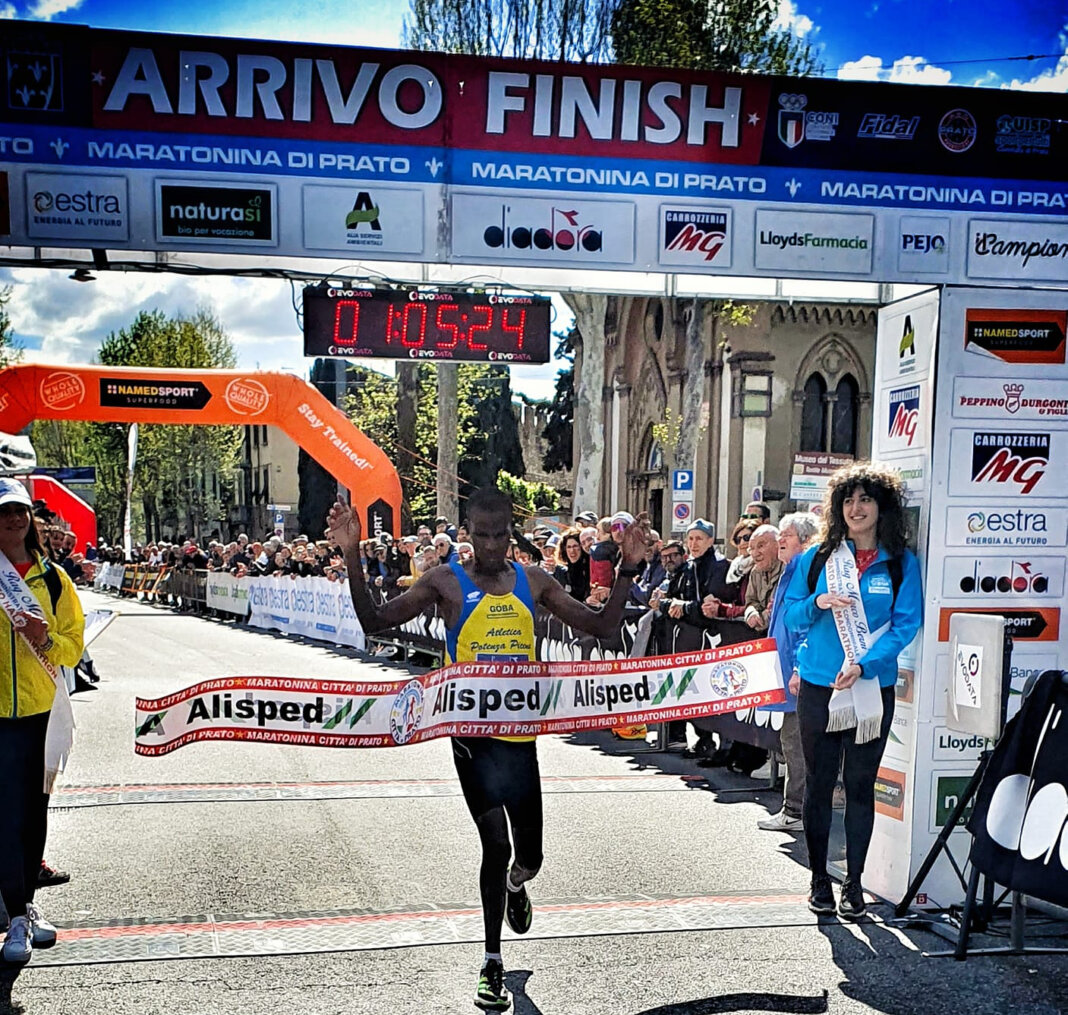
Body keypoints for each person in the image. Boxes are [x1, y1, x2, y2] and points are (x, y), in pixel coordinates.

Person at [327, 487, 648, 1011]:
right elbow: (375, 621)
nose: (493, 545)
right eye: (483, 535)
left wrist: (628, 569)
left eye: (501, 535)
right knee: (494, 847)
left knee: (529, 858)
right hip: (471, 740)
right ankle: (492, 962)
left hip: (520, 742)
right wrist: (351, 556)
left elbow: (602, 626)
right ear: (467, 534)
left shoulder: (534, 581)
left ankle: (518, 887)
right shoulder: (445, 581)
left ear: (511, 533)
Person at [782, 463, 922, 919]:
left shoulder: (900, 562)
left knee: (861, 786)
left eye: (865, 499)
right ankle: (819, 879)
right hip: (820, 686)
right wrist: (818, 602)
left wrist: (866, 665)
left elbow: (906, 625)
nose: (856, 508)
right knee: (820, 784)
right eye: (848, 500)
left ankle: (855, 883)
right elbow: (790, 616)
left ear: (882, 507)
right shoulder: (817, 558)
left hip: (869, 688)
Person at [0, 478, 85, 963]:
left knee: (34, 812)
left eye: (20, 511)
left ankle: (26, 906)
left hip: (40, 712)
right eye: (4, 512)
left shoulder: (53, 579)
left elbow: (74, 645)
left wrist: (45, 637)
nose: (13, 519)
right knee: (5, 814)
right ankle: (14, 914)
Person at [757, 512, 819, 833]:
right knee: (792, 741)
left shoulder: (804, 571)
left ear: (805, 541)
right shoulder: (791, 570)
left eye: (787, 535)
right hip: (789, 672)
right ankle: (797, 809)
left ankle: (795, 811)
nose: (780, 540)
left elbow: (805, 625)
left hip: (800, 674)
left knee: (795, 743)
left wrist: (798, 667)